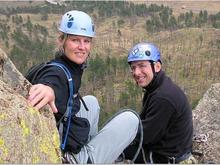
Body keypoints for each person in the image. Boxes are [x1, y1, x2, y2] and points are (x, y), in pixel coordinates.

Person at [27, 10, 139, 164]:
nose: (82, 47)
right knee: (131, 119)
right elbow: (52, 82)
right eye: (75, 40)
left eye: (86, 41)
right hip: (70, 158)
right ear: (62, 41)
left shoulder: (66, 66)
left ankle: (90, 150)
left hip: (66, 136)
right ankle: (88, 159)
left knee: (90, 102)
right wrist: (48, 89)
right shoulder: (57, 72)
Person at [123, 42, 197, 163]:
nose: (136, 72)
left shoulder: (163, 97)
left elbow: (146, 137)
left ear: (157, 66)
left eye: (142, 66)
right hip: (168, 150)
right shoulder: (156, 87)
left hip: (166, 158)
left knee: (117, 150)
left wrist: (120, 133)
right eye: (133, 67)